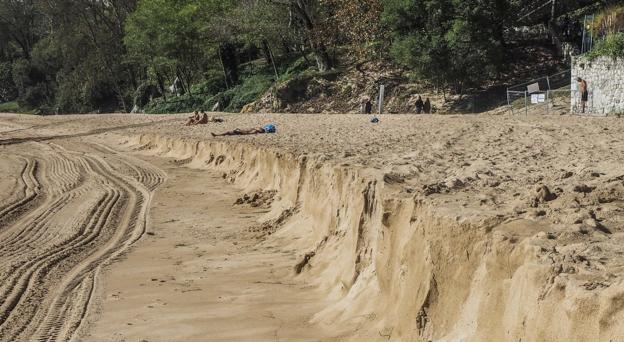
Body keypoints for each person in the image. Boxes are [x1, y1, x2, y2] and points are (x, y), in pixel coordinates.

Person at [212, 124, 276, 137]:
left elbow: (249, 132)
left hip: (241, 132)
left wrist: (240, 131)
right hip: (241, 131)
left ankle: (217, 135)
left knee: (228, 132)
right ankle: (217, 135)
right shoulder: (260, 129)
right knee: (228, 132)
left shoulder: (259, 130)